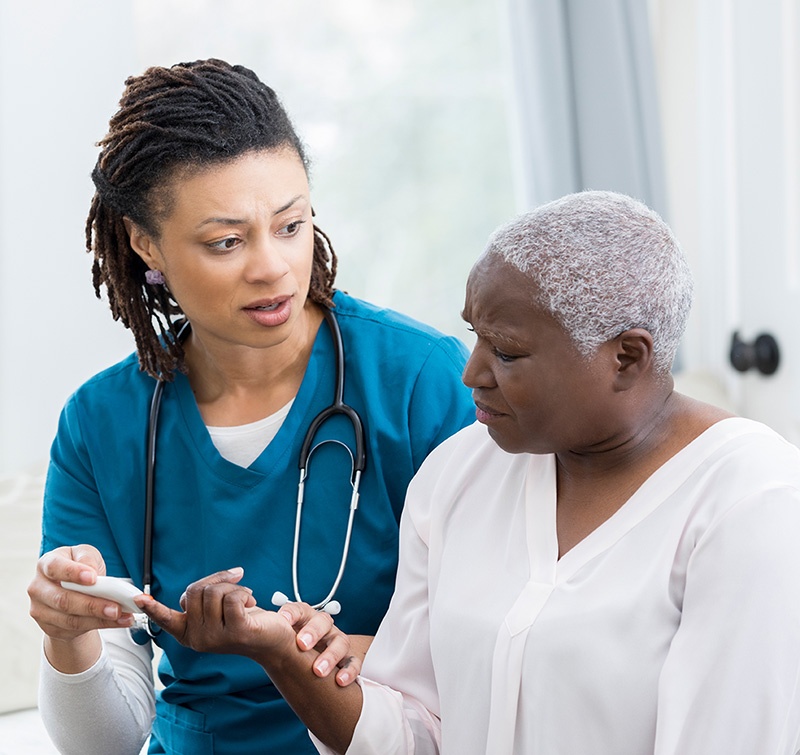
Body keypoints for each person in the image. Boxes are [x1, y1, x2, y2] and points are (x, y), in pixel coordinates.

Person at [139, 190, 800, 754]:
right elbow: (414, 732)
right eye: (475, 335)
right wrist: (280, 651)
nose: (471, 372)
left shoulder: (748, 499)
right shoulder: (460, 473)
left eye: (507, 352)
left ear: (627, 358)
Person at [27, 58, 475, 754]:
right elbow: (105, 742)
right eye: (226, 241)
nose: (272, 266)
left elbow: (496, 640)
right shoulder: (100, 424)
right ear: (147, 244)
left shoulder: (420, 379)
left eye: (291, 225)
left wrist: (351, 648)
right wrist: (69, 636)